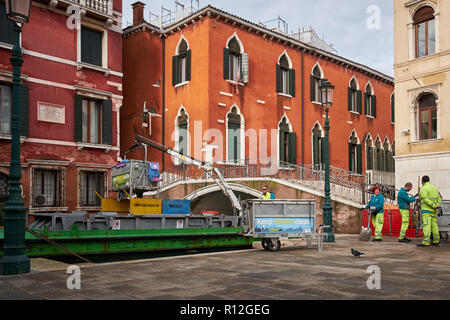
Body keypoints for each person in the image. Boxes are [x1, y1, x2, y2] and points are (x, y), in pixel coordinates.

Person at [417, 176, 442, 247]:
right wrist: (436, 205)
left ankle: (425, 242)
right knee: (434, 226)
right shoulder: (434, 188)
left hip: (426, 211)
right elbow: (440, 198)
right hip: (434, 211)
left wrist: (433, 205)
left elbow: (425, 199)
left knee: (427, 226)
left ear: (422, 181)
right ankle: (436, 241)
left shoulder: (424, 188)